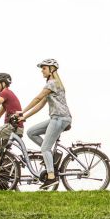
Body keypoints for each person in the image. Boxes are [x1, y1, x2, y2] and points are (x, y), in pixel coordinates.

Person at [16, 59, 72, 189]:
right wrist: (24, 117)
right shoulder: (52, 84)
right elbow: (40, 105)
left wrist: (22, 112)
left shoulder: (53, 83)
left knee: (45, 148)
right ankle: (52, 157)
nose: (42, 71)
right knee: (31, 132)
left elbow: (37, 98)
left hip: (60, 118)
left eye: (44, 68)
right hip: (56, 118)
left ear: (52, 70)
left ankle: (51, 177)